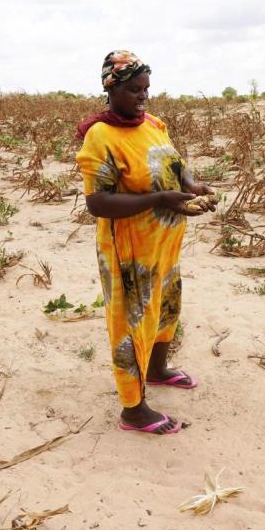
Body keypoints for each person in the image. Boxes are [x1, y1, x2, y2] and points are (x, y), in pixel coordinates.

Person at [75, 50, 215, 435]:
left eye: (146, 89)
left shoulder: (153, 123)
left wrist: (191, 187)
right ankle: (133, 410)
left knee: (165, 309)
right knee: (131, 323)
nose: (142, 97)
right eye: (135, 90)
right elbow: (97, 203)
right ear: (112, 88)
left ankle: (157, 370)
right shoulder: (100, 136)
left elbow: (174, 165)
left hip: (164, 246)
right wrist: (158, 200)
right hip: (129, 253)